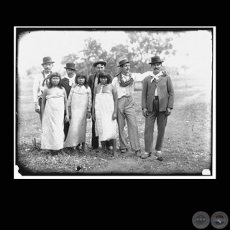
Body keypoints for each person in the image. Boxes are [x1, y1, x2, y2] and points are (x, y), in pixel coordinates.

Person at [111, 57, 153, 156]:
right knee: (121, 125)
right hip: (119, 101)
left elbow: (143, 76)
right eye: (125, 66)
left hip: (129, 101)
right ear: (121, 68)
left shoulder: (133, 76)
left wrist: (154, 72)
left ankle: (136, 148)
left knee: (133, 125)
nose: (127, 68)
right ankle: (123, 146)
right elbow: (113, 93)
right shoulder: (116, 79)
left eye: (128, 66)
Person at [141, 56, 174, 160]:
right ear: (151, 66)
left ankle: (158, 150)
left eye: (158, 64)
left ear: (160, 65)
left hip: (163, 106)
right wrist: (144, 107)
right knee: (148, 129)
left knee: (161, 129)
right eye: (154, 64)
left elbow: (171, 92)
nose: (156, 66)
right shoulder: (147, 79)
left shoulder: (166, 77)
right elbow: (143, 94)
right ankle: (147, 151)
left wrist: (169, 107)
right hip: (150, 106)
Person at [40, 72, 69, 155]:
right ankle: (50, 149)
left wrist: (67, 114)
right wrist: (43, 114)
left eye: (57, 78)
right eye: (53, 78)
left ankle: (60, 148)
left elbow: (66, 102)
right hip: (49, 113)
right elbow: (43, 103)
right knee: (50, 130)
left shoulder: (62, 89)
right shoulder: (47, 89)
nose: (55, 80)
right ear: (50, 79)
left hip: (59, 113)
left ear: (59, 79)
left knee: (59, 129)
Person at [92, 71, 118, 157]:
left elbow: (116, 100)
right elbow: (94, 100)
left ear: (108, 78)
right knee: (101, 129)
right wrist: (93, 112)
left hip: (109, 111)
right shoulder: (97, 87)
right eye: (102, 78)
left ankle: (114, 150)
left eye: (105, 78)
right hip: (99, 111)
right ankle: (103, 149)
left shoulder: (111, 87)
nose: (103, 79)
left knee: (111, 130)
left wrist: (115, 112)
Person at [64, 73, 92, 154]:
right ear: (77, 79)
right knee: (74, 127)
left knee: (82, 127)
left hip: (83, 111)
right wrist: (68, 110)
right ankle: (74, 145)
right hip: (74, 110)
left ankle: (83, 145)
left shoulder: (87, 88)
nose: (81, 80)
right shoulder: (74, 87)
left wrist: (88, 110)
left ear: (85, 79)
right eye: (79, 78)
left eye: (83, 78)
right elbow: (69, 99)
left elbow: (90, 100)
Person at [88, 60, 112, 150]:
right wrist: (90, 106)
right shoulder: (91, 78)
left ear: (104, 68)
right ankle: (95, 144)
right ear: (95, 68)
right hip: (95, 102)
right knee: (95, 123)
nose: (100, 69)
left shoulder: (108, 77)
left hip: (105, 103)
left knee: (106, 122)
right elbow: (89, 91)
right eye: (98, 67)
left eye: (101, 67)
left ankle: (107, 143)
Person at [33, 56, 54, 124]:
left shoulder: (55, 76)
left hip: (53, 100)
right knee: (44, 120)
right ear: (43, 66)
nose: (47, 66)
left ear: (52, 66)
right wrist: (36, 103)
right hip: (42, 100)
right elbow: (35, 90)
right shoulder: (38, 76)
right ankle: (44, 134)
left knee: (52, 120)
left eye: (49, 64)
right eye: (45, 65)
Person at [60, 62, 77, 141]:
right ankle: (67, 140)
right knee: (66, 122)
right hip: (65, 104)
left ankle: (76, 142)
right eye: (69, 70)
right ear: (66, 70)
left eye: (72, 70)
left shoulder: (78, 79)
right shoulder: (63, 80)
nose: (71, 72)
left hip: (77, 104)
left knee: (76, 122)